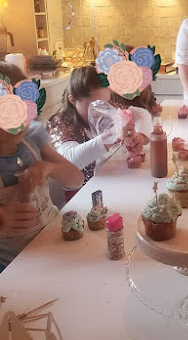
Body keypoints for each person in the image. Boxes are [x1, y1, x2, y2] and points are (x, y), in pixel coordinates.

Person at [0, 63, 83, 271]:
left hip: (54, 239)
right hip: (13, 264)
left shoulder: (32, 138)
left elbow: (76, 178)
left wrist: (48, 167)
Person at [47, 67, 152, 198]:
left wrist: (140, 136)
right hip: (80, 197)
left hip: (108, 183)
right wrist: (112, 135)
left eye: (106, 103)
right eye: (95, 105)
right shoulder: (60, 122)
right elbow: (69, 160)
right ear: (73, 100)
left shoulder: (106, 108)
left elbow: (139, 113)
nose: (102, 110)